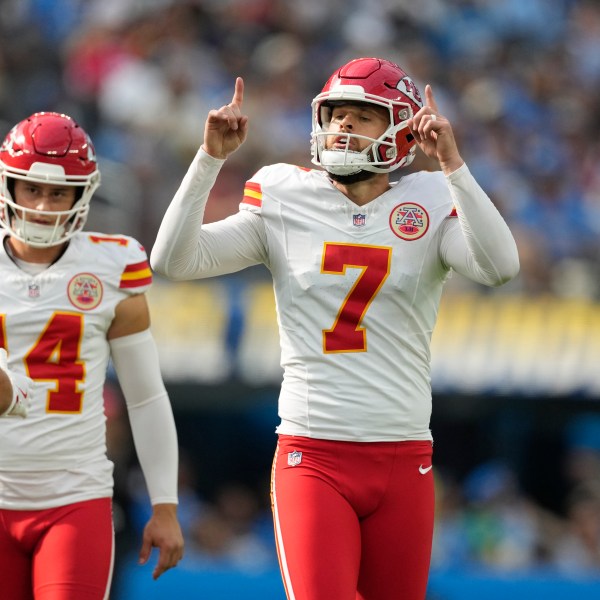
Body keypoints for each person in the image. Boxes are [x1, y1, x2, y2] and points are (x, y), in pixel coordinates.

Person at [151, 57, 520, 600]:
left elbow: (500, 266)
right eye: (335, 114)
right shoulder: (284, 193)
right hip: (313, 452)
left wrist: (454, 167)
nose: (342, 126)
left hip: (404, 455)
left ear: (399, 127)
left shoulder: (430, 196)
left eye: (361, 116)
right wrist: (208, 161)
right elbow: (174, 260)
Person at [0, 112, 184, 599]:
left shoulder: (110, 264)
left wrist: (164, 504)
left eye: (59, 192)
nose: (43, 205)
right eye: (33, 189)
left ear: (82, 195)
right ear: (9, 187)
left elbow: (145, 397)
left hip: (74, 497)